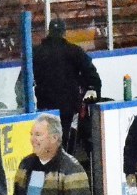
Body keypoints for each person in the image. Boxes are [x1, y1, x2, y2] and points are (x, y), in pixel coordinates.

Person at [30, 19, 102, 149]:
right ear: (64, 33)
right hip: (68, 108)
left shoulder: (36, 53)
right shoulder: (74, 51)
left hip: (45, 108)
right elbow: (92, 76)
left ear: (49, 32)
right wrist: (94, 92)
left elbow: (24, 81)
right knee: (66, 143)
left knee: (49, 144)